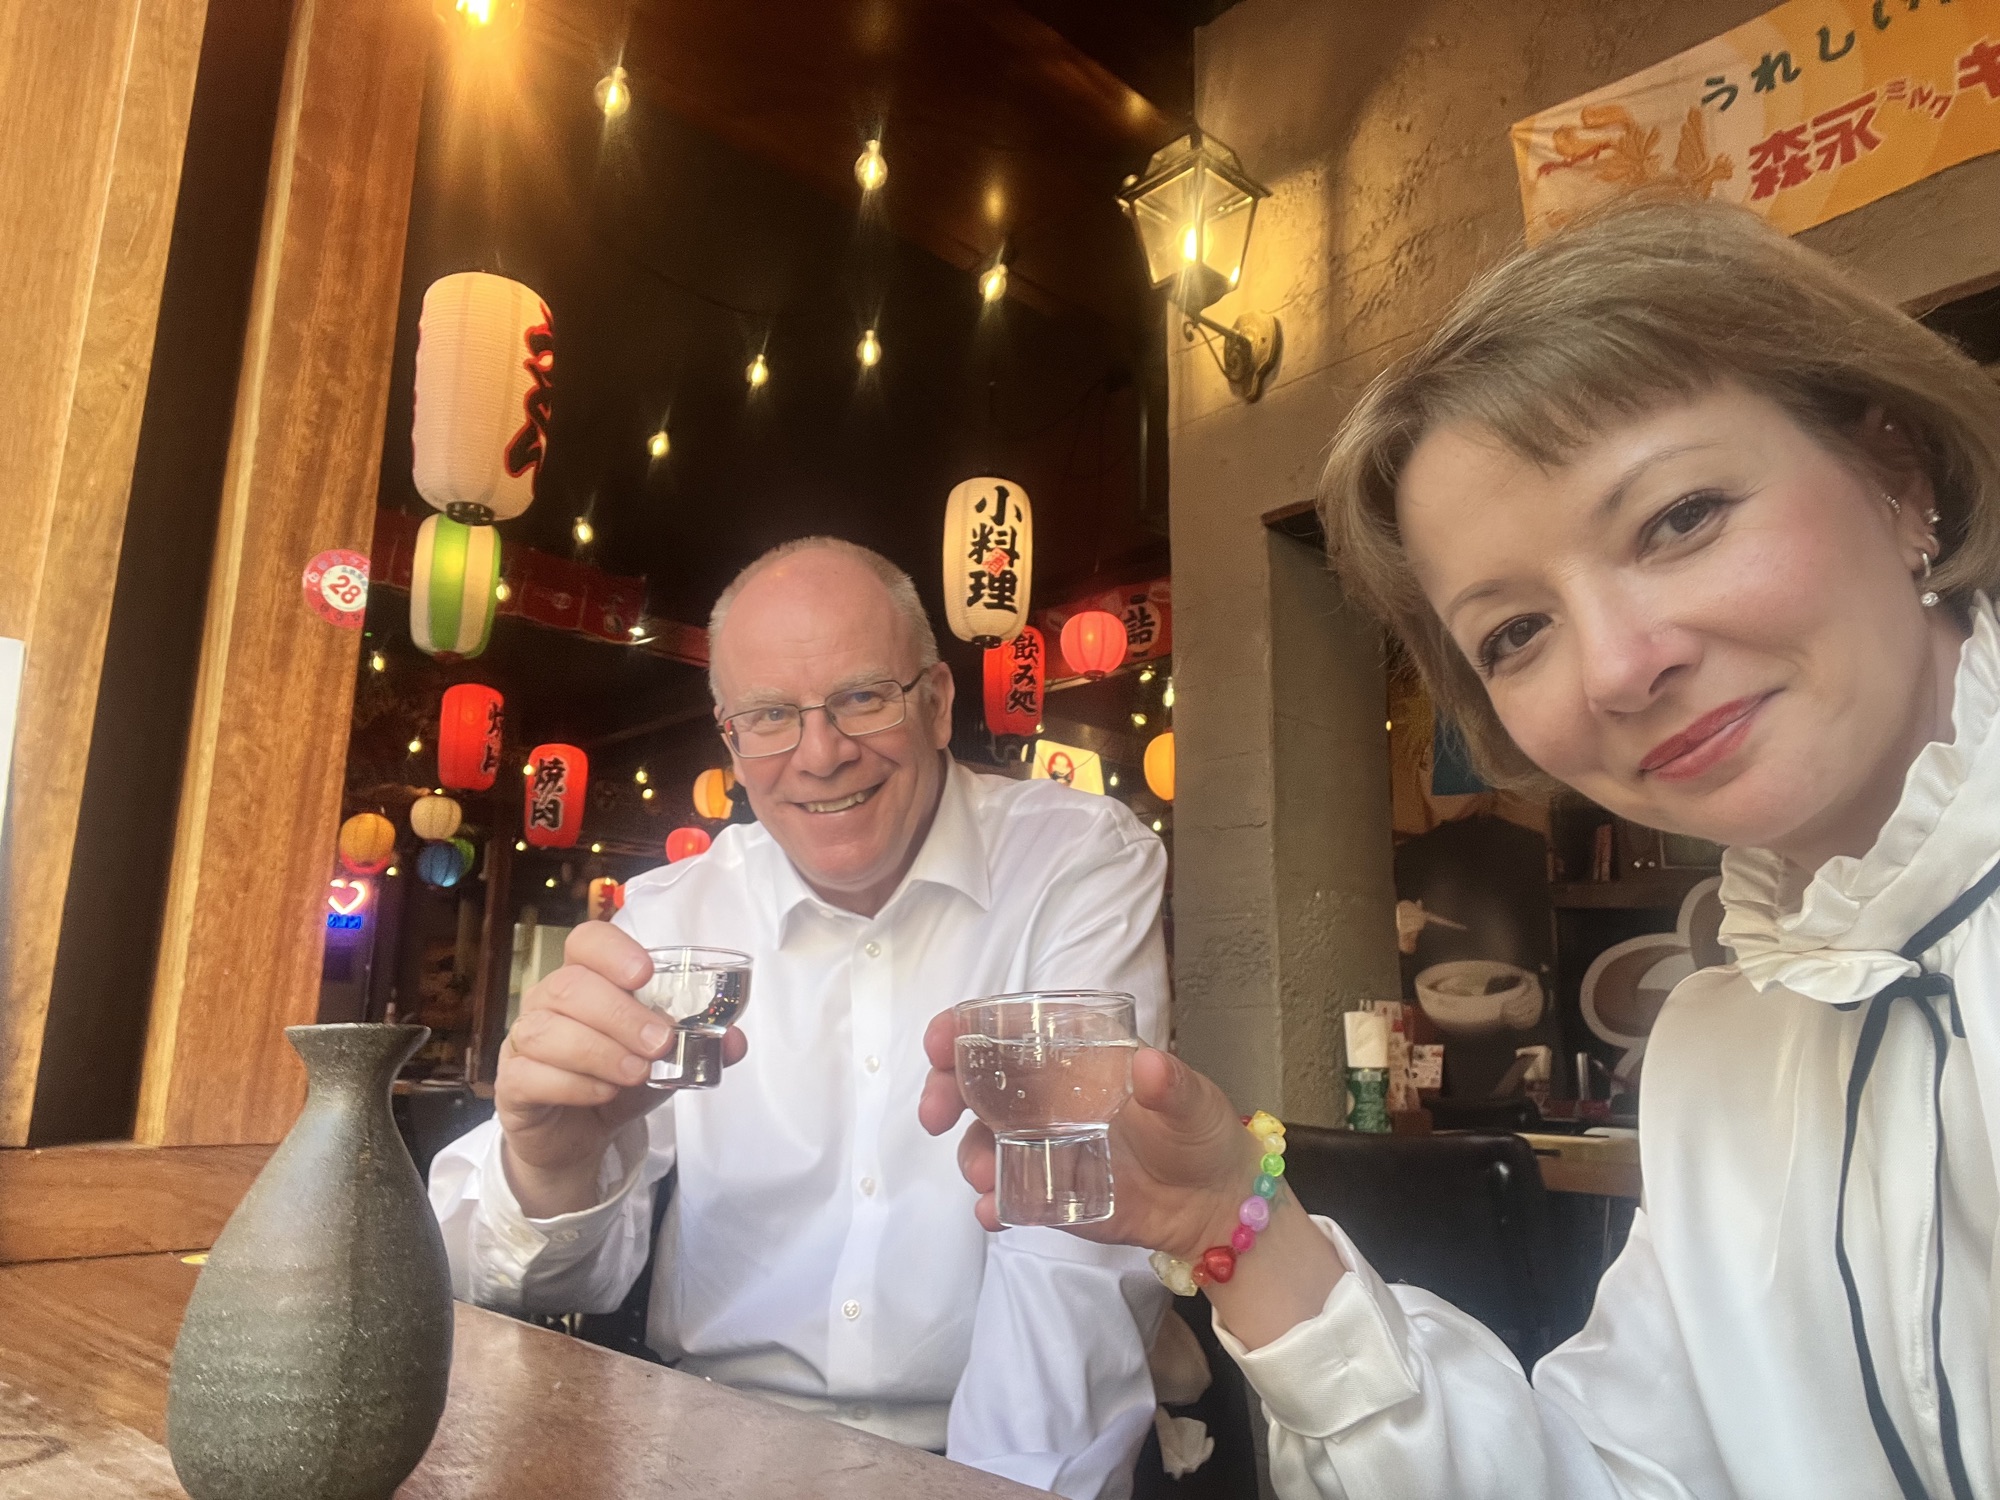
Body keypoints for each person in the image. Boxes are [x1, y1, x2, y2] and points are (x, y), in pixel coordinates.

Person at [922, 201, 2000, 1499]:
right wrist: (1232, 1221)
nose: (1614, 667)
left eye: (1679, 518)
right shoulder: (1723, 1050)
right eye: (1515, 633)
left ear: (1899, 473)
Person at [432, 538, 1172, 1499]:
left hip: (979, 1462)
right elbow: (525, 1281)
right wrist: (550, 1172)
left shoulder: (1074, 864)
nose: (821, 756)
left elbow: (1073, 1233)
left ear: (937, 703)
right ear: (732, 743)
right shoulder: (671, 918)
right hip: (700, 1447)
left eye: (864, 698)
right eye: (771, 717)